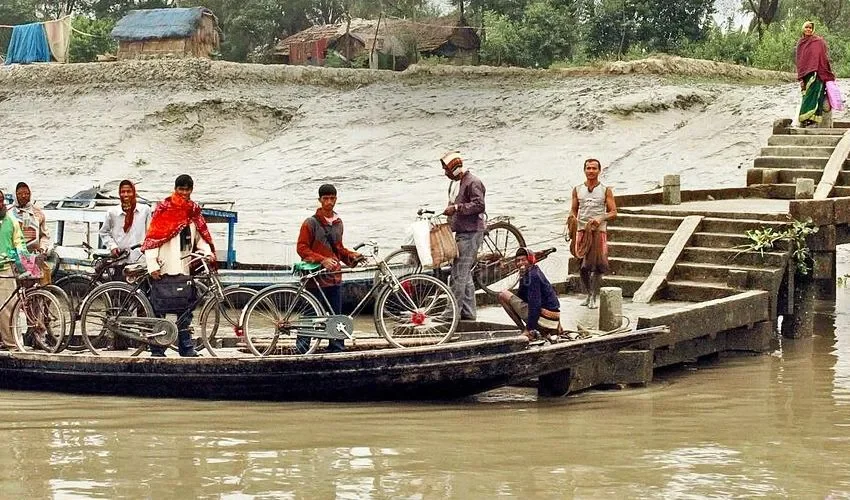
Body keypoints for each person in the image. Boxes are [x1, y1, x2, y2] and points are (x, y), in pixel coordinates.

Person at [142, 174, 215, 357]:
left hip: (184, 269)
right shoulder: (164, 210)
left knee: (185, 312)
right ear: (175, 189)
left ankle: (187, 349)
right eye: (180, 189)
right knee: (159, 311)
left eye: (187, 189)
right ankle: (157, 350)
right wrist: (152, 265)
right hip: (164, 268)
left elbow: (200, 238)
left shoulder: (193, 212)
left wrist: (207, 252)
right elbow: (153, 240)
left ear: (191, 190)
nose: (183, 193)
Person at [296, 184, 364, 354]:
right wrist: (322, 260)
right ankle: (301, 350)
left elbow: (339, 249)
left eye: (331, 198)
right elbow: (302, 248)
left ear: (336, 199)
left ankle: (337, 348)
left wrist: (353, 256)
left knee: (336, 316)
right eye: (325, 198)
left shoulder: (338, 223)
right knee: (309, 315)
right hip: (315, 279)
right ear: (319, 200)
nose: (328, 202)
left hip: (334, 277)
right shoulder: (310, 223)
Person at [440, 151, 486, 321]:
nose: (445, 173)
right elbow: (452, 203)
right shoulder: (454, 184)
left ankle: (451, 313)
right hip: (461, 232)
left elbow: (479, 205)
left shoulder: (473, 182)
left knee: (458, 274)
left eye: (447, 170)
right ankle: (468, 313)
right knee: (464, 275)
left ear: (455, 169)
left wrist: (458, 208)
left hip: (471, 233)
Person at [569, 158, 616, 309]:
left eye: (594, 168)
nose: (591, 171)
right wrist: (572, 219)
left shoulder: (605, 190)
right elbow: (574, 209)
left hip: (598, 231)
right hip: (582, 230)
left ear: (599, 171)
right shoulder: (577, 189)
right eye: (588, 168)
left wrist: (601, 217)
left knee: (596, 266)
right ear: (584, 170)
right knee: (582, 266)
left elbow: (613, 212)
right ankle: (589, 294)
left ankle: (594, 296)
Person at [498, 247, 562, 341]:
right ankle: (536, 330)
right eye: (518, 261)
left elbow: (535, 305)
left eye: (523, 260)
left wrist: (529, 329)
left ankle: (527, 331)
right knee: (510, 297)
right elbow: (522, 297)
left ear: (530, 260)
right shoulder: (532, 272)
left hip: (546, 319)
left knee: (502, 295)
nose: (520, 263)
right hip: (552, 320)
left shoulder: (533, 276)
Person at [99, 180, 151, 265]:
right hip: (119, 259)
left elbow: (150, 233)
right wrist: (112, 246)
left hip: (139, 259)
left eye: (129, 191)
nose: (126, 195)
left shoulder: (145, 210)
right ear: (119, 194)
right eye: (123, 192)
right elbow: (104, 232)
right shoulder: (112, 212)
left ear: (134, 192)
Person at [0, 191, 27, 350]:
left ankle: (12, 345)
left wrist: (28, 267)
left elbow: (20, 244)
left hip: (5, 270)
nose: (1, 204)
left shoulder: (11, 221)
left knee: (8, 309)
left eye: (1, 200)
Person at [796, 21, 835, 128]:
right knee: (808, 96)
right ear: (803, 29)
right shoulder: (801, 43)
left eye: (810, 28)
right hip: (806, 74)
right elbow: (800, 61)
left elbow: (823, 56)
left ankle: (812, 120)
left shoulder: (818, 41)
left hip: (818, 73)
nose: (808, 29)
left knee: (818, 96)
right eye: (806, 27)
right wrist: (801, 77)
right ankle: (804, 118)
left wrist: (824, 69)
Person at [12, 182, 53, 284]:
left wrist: (42, 248)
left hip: (35, 256)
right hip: (15, 258)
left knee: (43, 284)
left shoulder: (38, 212)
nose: (23, 196)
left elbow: (45, 235)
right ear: (15, 195)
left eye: (27, 193)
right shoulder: (9, 213)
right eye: (20, 194)